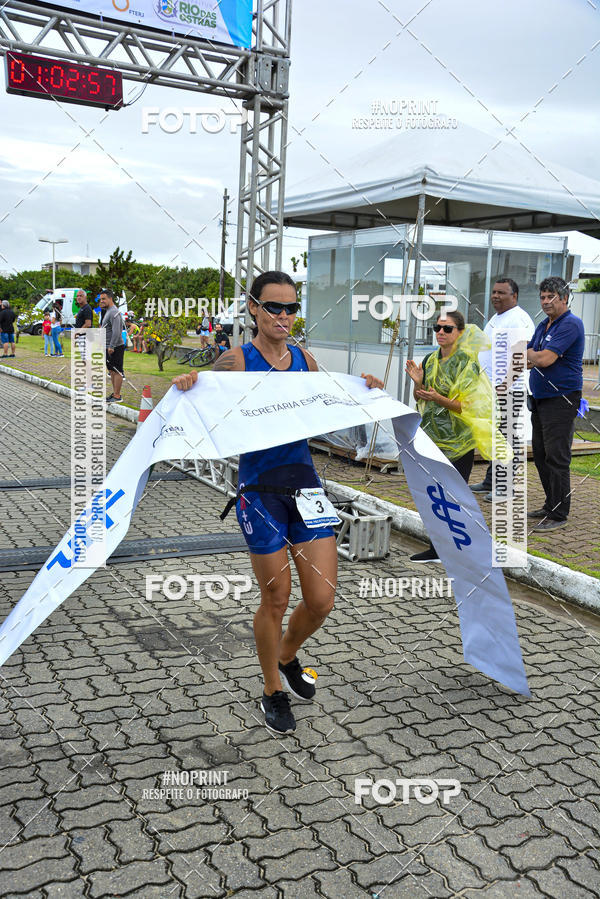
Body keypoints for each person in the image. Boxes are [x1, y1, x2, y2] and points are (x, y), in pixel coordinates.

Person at [172, 270, 383, 735]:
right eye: (274, 307)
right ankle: (272, 689)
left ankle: (288, 656)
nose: (283, 316)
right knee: (276, 597)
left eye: (291, 308)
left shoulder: (304, 359)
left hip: (305, 486)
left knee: (322, 599)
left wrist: (364, 384)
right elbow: (198, 398)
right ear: (254, 308)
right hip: (259, 491)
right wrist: (188, 382)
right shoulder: (237, 361)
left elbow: (337, 395)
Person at [406, 310, 502, 563]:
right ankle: (437, 549)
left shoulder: (467, 363)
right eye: (437, 327)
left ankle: (462, 549)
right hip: (431, 438)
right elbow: (420, 398)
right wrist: (417, 384)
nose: (440, 332)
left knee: (455, 496)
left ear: (459, 332)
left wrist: (439, 398)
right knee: (434, 495)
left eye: (447, 328)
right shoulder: (429, 359)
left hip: (459, 442)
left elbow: (469, 406)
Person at [526, 277, 584, 532]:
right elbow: (527, 354)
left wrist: (534, 356)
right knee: (540, 454)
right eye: (543, 297)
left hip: (561, 398)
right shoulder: (543, 324)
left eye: (551, 297)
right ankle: (551, 503)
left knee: (557, 456)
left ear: (564, 298)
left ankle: (559, 513)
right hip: (540, 398)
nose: (546, 301)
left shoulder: (571, 324)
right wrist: (533, 356)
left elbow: (545, 359)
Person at [471, 279, 535, 501]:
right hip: (492, 391)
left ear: (514, 296)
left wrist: (503, 386)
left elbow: (520, 356)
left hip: (507, 392)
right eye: (494, 292)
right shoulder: (499, 317)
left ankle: (506, 487)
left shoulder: (517, 318)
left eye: (501, 293)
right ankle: (491, 481)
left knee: (506, 438)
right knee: (495, 436)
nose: (495, 296)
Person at [100, 289, 125, 403]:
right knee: (111, 371)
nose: (102, 301)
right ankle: (114, 394)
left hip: (115, 347)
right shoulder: (108, 311)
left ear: (110, 298)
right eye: (101, 299)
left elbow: (116, 331)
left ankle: (117, 395)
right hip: (108, 346)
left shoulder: (114, 312)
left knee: (117, 371)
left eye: (104, 299)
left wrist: (112, 346)